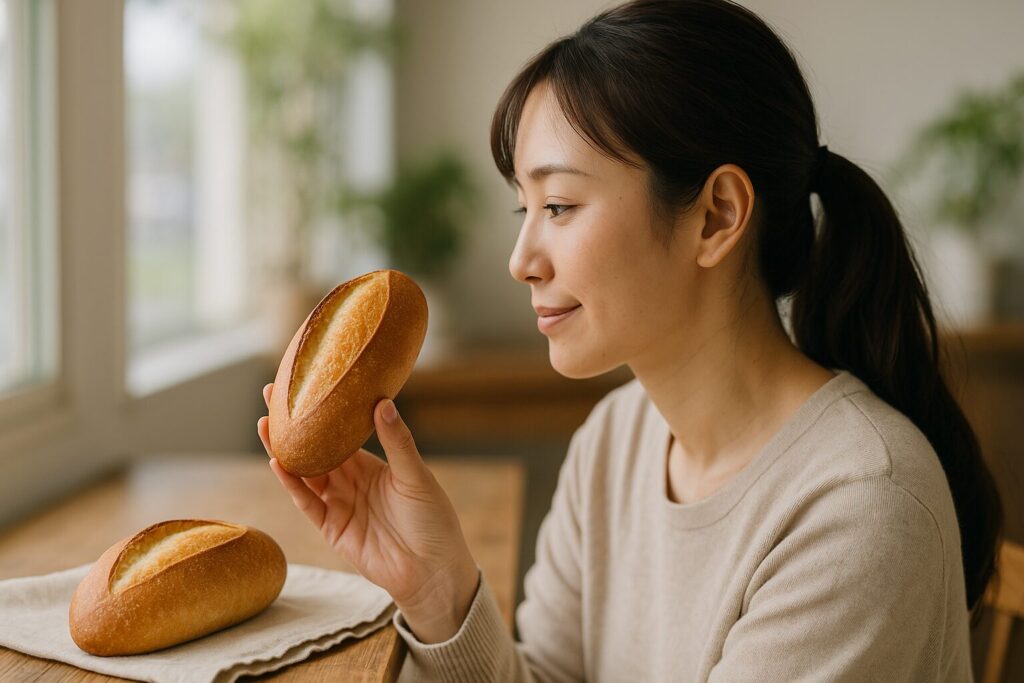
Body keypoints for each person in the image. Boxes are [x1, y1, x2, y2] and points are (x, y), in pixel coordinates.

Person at [257, 0, 1004, 679]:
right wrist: (438, 589)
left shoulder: (860, 509)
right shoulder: (616, 440)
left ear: (716, 216)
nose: (521, 259)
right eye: (523, 207)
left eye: (558, 205)